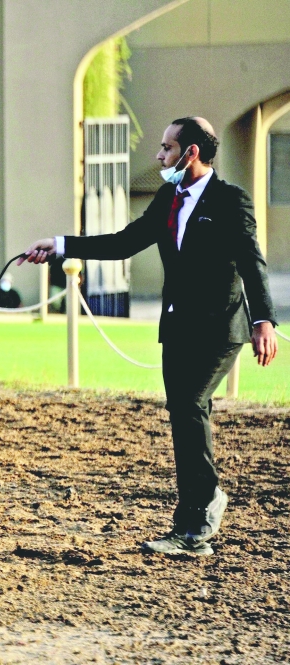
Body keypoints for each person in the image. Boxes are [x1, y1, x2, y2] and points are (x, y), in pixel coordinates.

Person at [20, 117, 279, 557]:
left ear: (191, 153)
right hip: (176, 327)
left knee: (189, 404)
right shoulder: (168, 198)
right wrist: (60, 246)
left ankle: (200, 516)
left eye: (166, 148)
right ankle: (193, 518)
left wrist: (263, 322)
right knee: (183, 415)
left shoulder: (230, 200)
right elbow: (124, 243)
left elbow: (251, 262)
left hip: (220, 328)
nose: (159, 157)